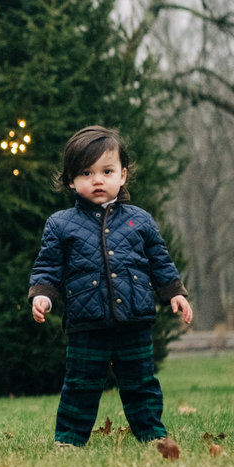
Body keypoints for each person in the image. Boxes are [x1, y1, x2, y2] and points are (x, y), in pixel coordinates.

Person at [27, 125, 192, 448]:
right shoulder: (61, 224)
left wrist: (175, 293)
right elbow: (48, 266)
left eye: (107, 171)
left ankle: (152, 435)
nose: (97, 179)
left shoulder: (140, 220)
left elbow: (160, 261)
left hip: (134, 318)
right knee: (80, 384)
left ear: (123, 175)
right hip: (86, 323)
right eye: (86, 173)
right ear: (72, 180)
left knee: (141, 382)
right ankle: (69, 441)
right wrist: (43, 295)